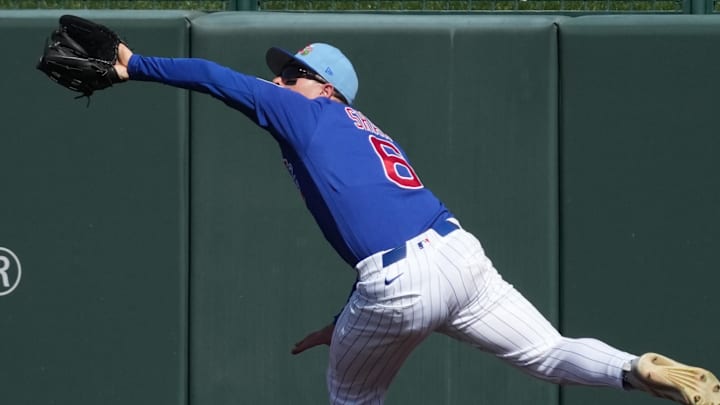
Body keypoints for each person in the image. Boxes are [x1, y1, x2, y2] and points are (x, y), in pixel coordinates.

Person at [113, 41, 719, 405]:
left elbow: (218, 80)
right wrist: (341, 323)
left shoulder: (309, 112)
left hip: (399, 279)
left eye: (291, 73)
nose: (278, 81)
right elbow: (380, 220)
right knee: (547, 351)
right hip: (458, 257)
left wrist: (135, 64)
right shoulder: (361, 127)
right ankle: (634, 369)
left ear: (324, 87)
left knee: (352, 396)